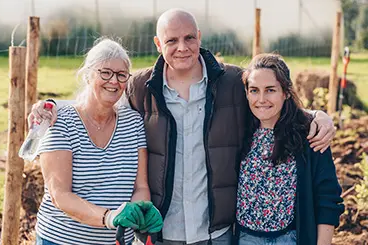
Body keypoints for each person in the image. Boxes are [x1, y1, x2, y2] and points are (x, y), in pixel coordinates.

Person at [30, 9, 336, 245]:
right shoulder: (140, 88)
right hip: (164, 230)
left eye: (189, 38)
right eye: (171, 40)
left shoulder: (230, 82)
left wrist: (315, 114)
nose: (182, 47)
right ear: (158, 43)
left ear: (199, 37)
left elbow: (268, 96)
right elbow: (98, 99)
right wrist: (53, 107)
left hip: (217, 231)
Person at [32, 38, 163, 245]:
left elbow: (140, 187)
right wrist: (109, 217)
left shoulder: (133, 122)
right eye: (105, 72)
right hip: (62, 240)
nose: (114, 81)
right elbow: (60, 195)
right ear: (88, 75)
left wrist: (139, 213)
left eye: (121, 75)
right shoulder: (61, 121)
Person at [234, 53, 344, 245]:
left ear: (285, 92)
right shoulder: (237, 130)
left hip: (291, 238)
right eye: (254, 90)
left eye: (270, 90)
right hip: (245, 238)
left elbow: (327, 197)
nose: (261, 99)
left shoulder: (310, 134)